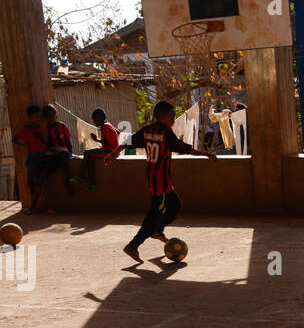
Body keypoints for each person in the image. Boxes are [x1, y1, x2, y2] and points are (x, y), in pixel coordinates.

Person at [121, 100, 213, 262]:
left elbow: (127, 141)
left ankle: (157, 230)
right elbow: (185, 149)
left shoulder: (147, 130)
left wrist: (113, 153)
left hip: (155, 180)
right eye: (171, 117)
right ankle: (133, 245)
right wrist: (207, 154)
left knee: (175, 206)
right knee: (154, 215)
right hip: (161, 184)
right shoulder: (165, 133)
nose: (173, 120)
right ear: (162, 117)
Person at [72, 107, 119, 190]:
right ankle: (92, 184)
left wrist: (96, 139)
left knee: (87, 153)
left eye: (94, 119)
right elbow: (117, 132)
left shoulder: (104, 127)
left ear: (100, 118)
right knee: (90, 158)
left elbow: (106, 144)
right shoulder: (108, 124)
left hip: (110, 151)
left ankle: (81, 176)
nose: (94, 122)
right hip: (112, 150)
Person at [11, 104, 47, 213]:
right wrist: (25, 146)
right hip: (32, 157)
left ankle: (32, 207)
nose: (39, 119)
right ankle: (34, 205)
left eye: (40, 117)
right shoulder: (25, 129)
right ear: (30, 118)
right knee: (30, 183)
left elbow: (46, 140)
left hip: (43, 156)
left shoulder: (42, 127)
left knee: (39, 182)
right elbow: (15, 139)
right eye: (36, 117)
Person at [41, 104, 73, 200]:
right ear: (45, 117)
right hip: (50, 150)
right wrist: (51, 149)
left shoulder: (62, 126)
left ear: (56, 116)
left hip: (62, 148)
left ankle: (67, 183)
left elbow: (67, 141)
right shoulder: (45, 129)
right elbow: (46, 143)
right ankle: (51, 190)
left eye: (53, 115)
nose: (51, 118)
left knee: (63, 157)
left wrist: (70, 152)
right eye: (48, 116)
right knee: (48, 162)